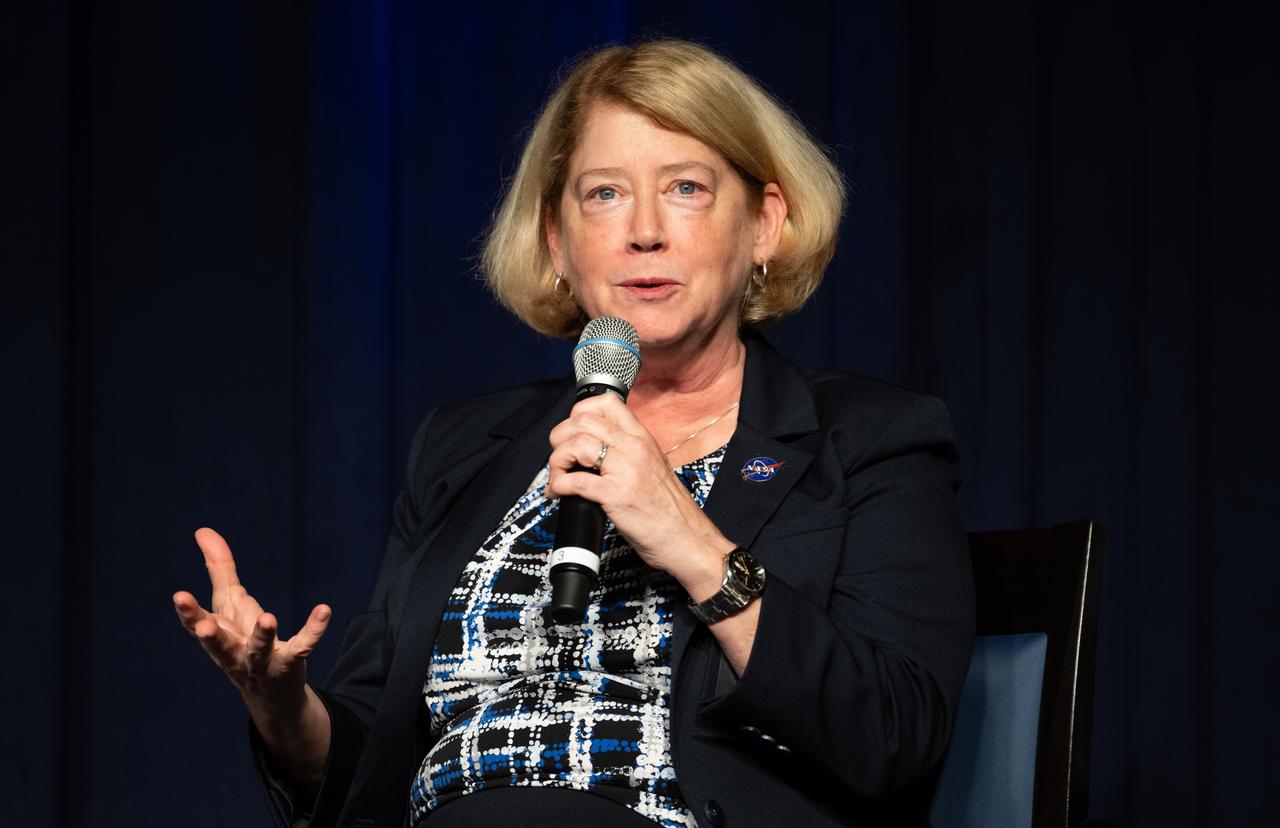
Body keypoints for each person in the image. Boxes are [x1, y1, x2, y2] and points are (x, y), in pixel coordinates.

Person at [173, 39, 974, 828]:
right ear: (557, 240)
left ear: (764, 226)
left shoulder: (870, 440)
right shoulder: (464, 445)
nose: (645, 231)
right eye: (604, 194)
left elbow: (893, 736)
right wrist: (281, 707)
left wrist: (688, 537)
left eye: (687, 187)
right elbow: (368, 764)